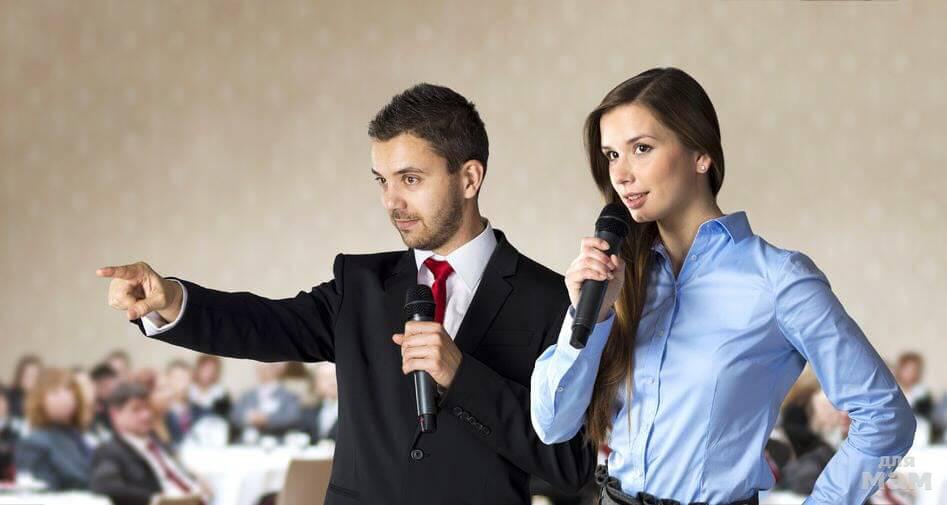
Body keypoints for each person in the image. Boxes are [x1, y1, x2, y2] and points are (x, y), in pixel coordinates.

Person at [97, 83, 596, 504]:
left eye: (410, 179)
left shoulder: (552, 301)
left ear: (469, 178)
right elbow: (263, 324)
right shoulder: (359, 285)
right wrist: (170, 301)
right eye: (382, 181)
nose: (391, 201)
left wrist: (462, 376)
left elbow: (570, 464)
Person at [530, 67, 915, 505]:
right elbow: (552, 425)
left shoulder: (779, 280)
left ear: (701, 155)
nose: (621, 174)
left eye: (641, 148)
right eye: (612, 155)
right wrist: (590, 316)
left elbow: (887, 418)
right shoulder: (620, 280)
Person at [91, 381, 209, 505]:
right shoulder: (109, 451)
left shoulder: (156, 441)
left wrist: (196, 480)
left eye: (147, 407)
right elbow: (105, 486)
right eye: (136, 409)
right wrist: (155, 500)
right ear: (115, 415)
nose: (146, 415)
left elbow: (177, 471)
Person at [14, 368, 93, 490]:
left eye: (70, 391)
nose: (66, 397)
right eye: (56, 392)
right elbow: (40, 489)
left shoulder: (79, 438)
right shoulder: (34, 443)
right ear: (40, 400)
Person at [231, 362, 302, 438]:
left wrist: (267, 420)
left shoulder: (288, 396)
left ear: (278, 370)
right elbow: (235, 416)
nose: (264, 371)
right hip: (249, 441)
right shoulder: (247, 395)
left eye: (268, 368)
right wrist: (250, 418)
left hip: (277, 440)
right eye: (261, 368)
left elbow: (292, 417)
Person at [301, 362, 339, 442]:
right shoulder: (310, 410)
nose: (332, 382)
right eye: (326, 378)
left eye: (336, 376)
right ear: (316, 383)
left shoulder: (353, 412)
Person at [189, 355, 231, 420]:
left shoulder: (221, 393)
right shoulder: (188, 389)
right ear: (198, 369)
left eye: (212, 370)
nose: (208, 374)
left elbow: (224, 417)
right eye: (205, 369)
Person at [6, 354, 42, 420]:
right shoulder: (8, 396)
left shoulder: (43, 399)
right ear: (19, 376)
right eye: (27, 376)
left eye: (35, 376)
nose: (31, 380)